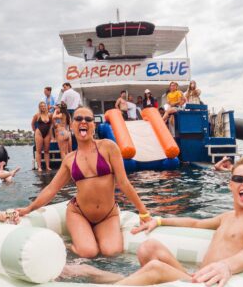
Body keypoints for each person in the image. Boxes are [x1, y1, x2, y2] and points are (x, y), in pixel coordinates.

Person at [66, 158, 243, 287]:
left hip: (210, 286)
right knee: (149, 247)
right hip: (196, 278)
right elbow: (194, 224)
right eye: (239, 178)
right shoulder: (228, 217)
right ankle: (91, 272)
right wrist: (158, 220)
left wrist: (227, 266)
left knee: (156, 268)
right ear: (231, 185)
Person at [17, 106, 151, 258]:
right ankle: (67, 245)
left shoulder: (108, 147)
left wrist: (143, 212)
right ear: (72, 125)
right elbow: (51, 189)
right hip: (79, 213)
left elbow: (124, 183)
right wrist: (29, 209)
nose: (83, 122)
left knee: (112, 252)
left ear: (94, 125)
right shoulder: (69, 159)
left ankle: (88, 237)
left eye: (88, 119)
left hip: (107, 214)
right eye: (78, 119)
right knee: (89, 252)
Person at [32, 101, 53, 172]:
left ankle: (47, 166)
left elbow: (52, 124)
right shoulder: (37, 115)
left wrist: (51, 133)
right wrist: (35, 131)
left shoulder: (50, 115)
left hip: (47, 133)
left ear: (46, 106)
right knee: (39, 151)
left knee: (47, 151)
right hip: (39, 133)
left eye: (44, 106)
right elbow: (32, 124)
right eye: (41, 106)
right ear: (39, 108)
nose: (43, 107)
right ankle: (39, 167)